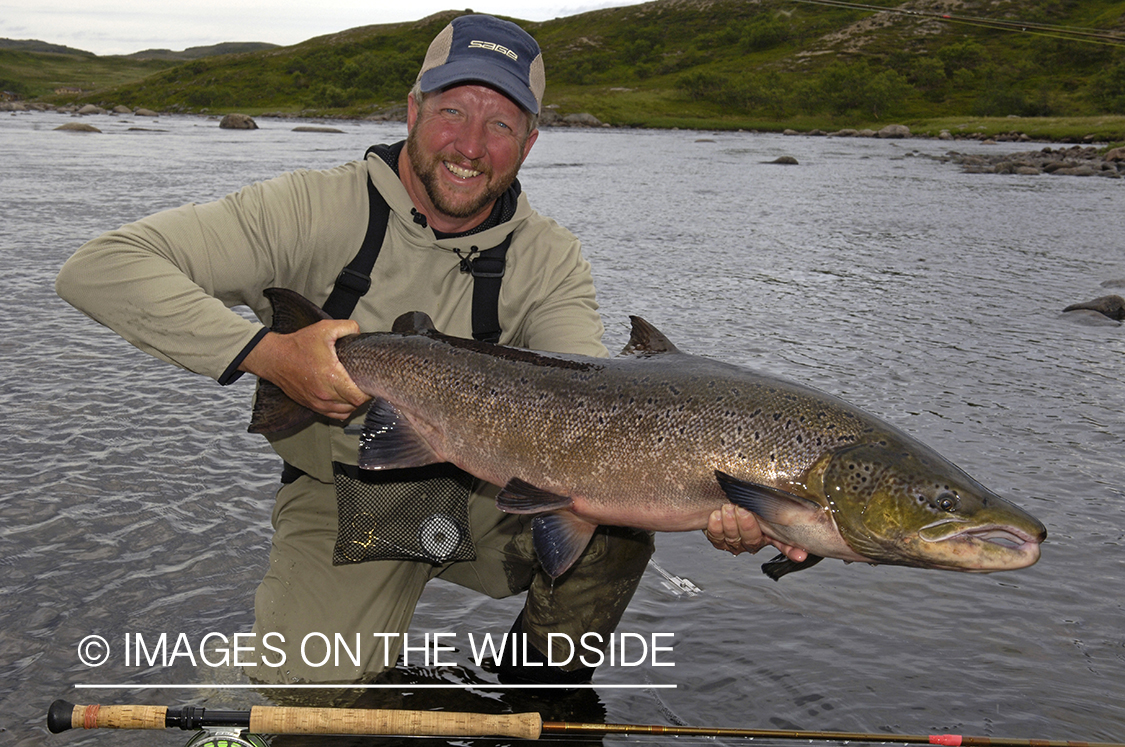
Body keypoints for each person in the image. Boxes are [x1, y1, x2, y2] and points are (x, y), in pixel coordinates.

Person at [56, 14, 805, 685]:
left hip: (487, 500)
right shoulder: (307, 208)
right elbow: (100, 267)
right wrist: (265, 352)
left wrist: (727, 495)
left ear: (531, 141)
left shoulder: (550, 258)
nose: (470, 147)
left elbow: (592, 401)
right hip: (344, 497)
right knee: (303, 701)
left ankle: (532, 693)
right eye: (451, 111)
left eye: (501, 124)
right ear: (412, 110)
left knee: (614, 530)